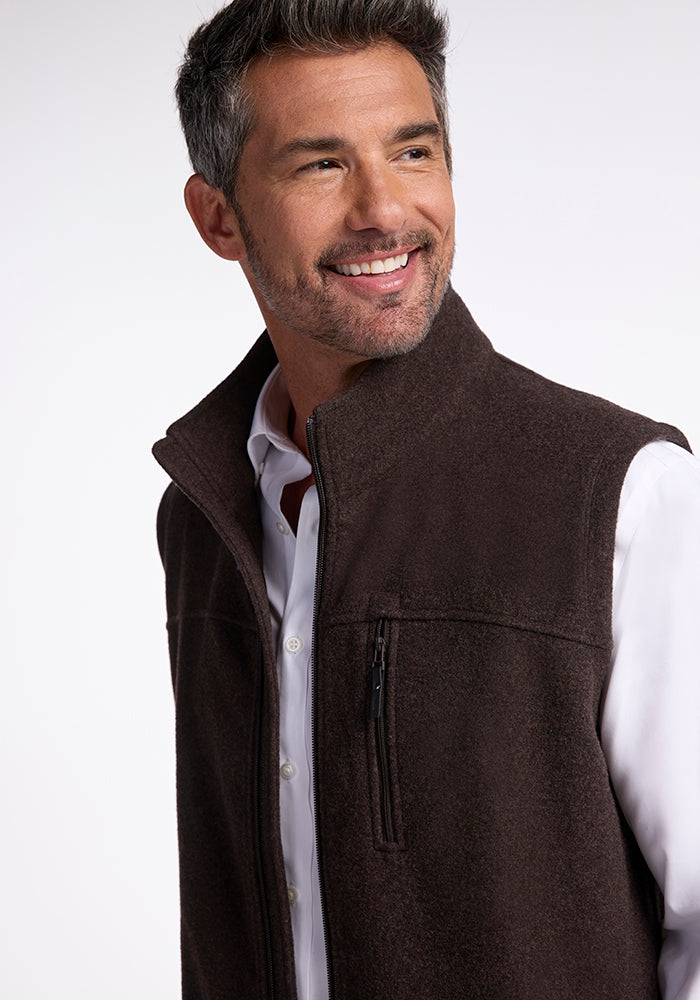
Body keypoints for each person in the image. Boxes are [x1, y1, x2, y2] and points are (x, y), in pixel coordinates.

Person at [153, 1, 700, 997]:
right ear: (217, 216)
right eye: (321, 164)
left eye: (412, 152)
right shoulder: (203, 510)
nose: (383, 210)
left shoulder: (620, 494)